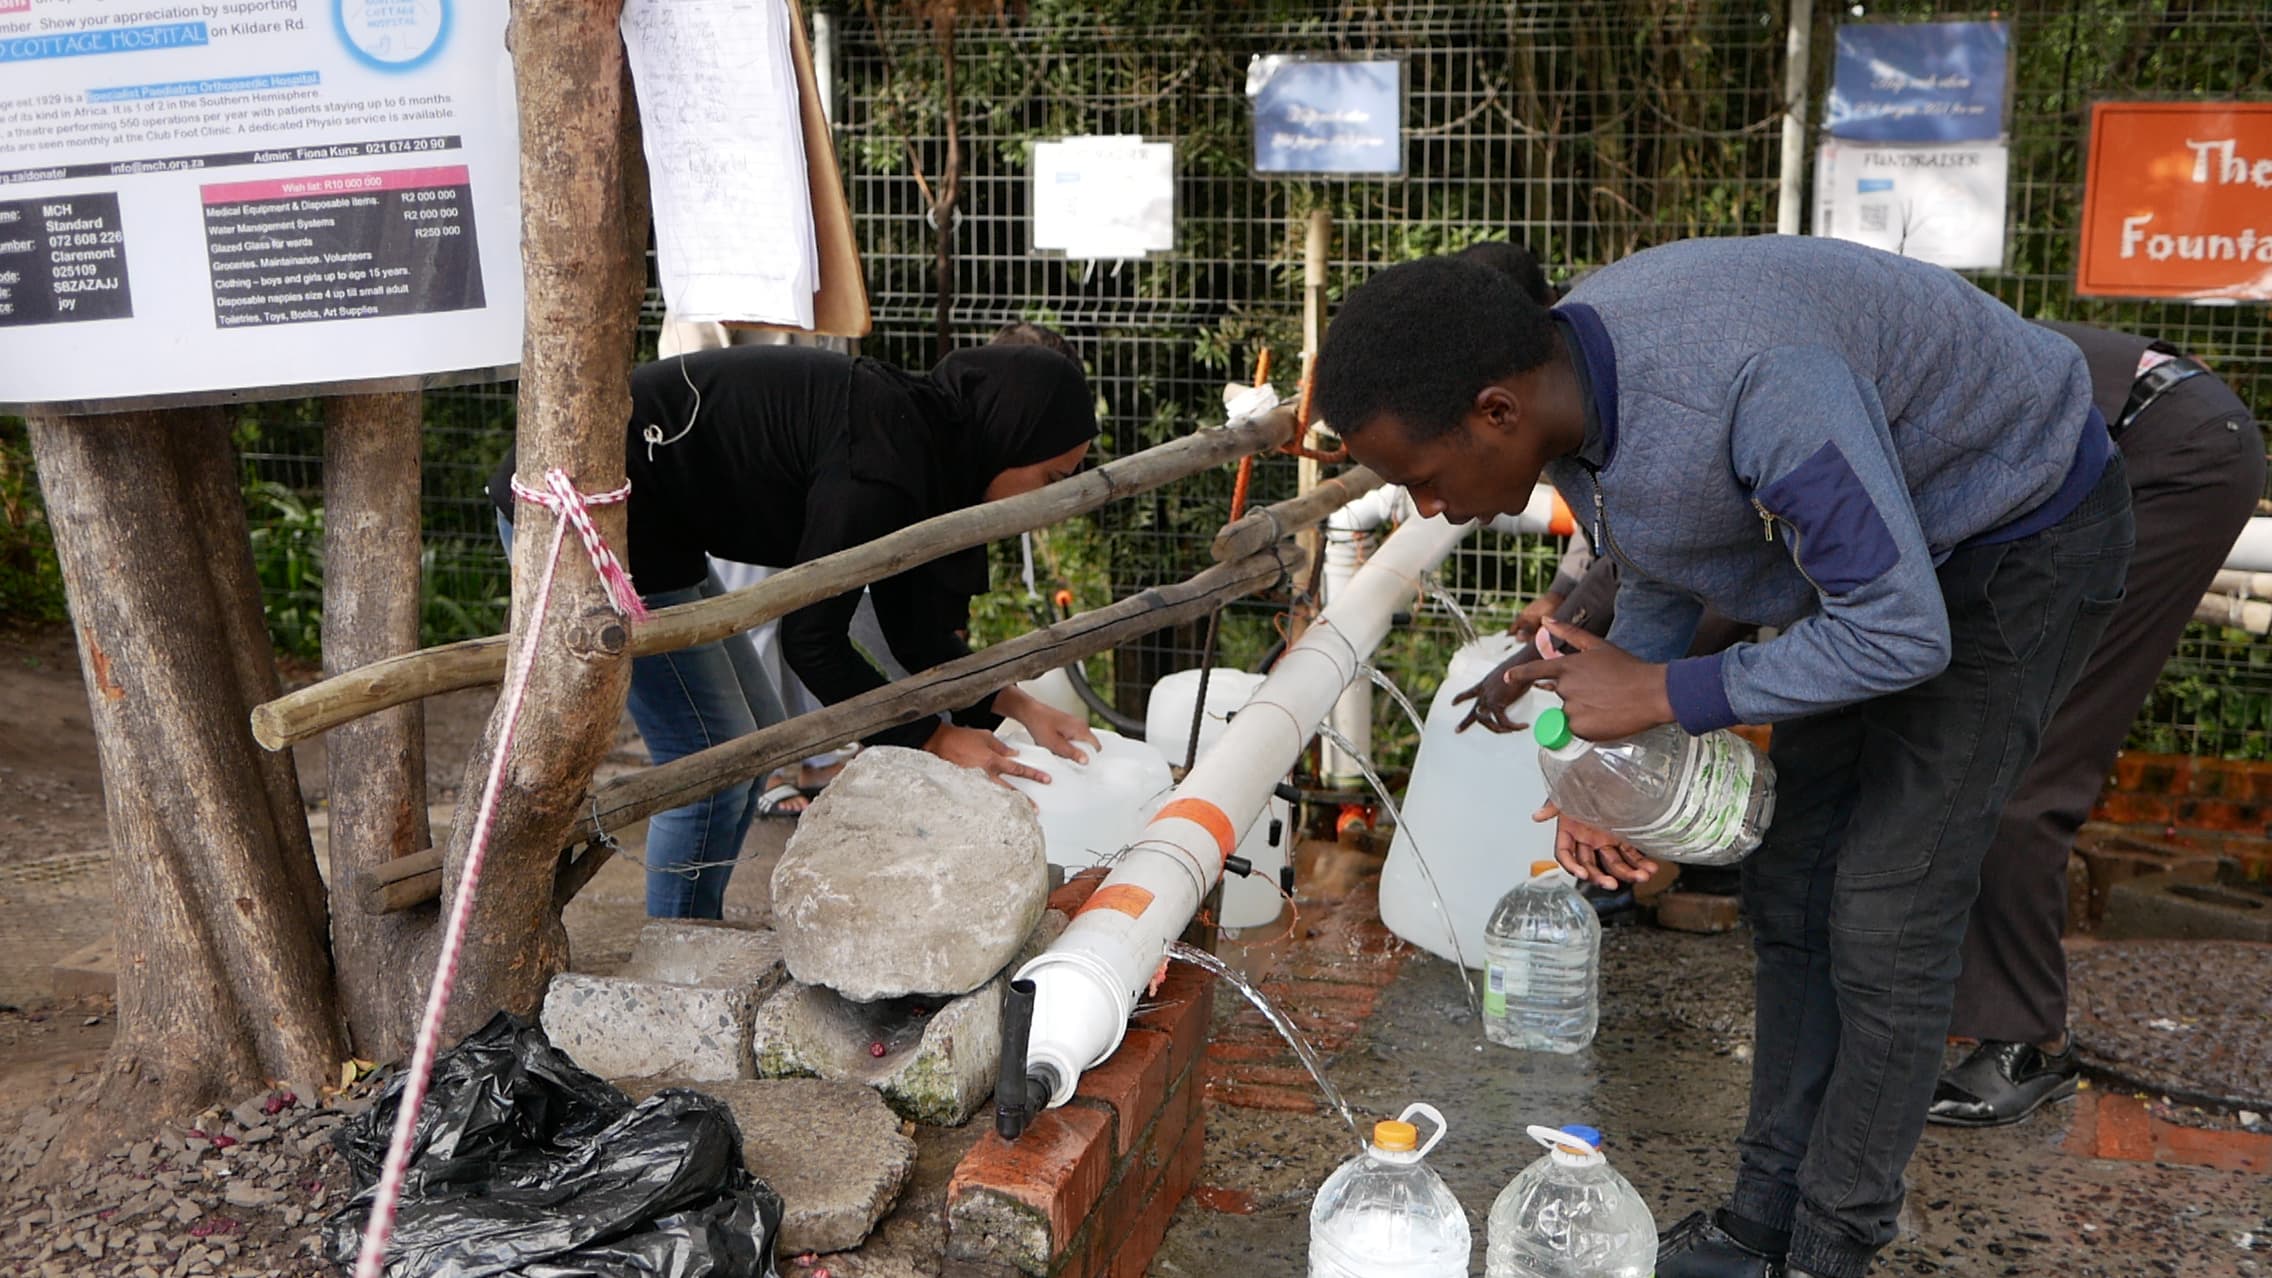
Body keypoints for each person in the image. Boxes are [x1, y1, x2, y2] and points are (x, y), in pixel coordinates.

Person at [1315, 238, 2133, 1278]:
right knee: (1790, 884)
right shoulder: (1575, 382)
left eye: (1422, 481)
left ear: (1495, 412)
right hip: (1879, 566)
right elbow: (1663, 559)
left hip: (2014, 535)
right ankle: (1762, 1217)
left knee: (1888, 907)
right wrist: (1606, 775)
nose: (1425, 510)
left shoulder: (1753, 381)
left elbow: (1899, 637)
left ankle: (1832, 1242)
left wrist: (1657, 693)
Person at [1459, 320, 2265, 1126]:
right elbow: (1656, 582)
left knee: (2017, 757)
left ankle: (2026, 1041)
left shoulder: (1724, 393)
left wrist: (1638, 707)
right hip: (2051, 462)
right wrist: (1589, 693)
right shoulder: (1655, 395)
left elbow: (1700, 609)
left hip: (2159, 447)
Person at [490, 343, 1102, 919]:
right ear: (1010, 437)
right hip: (591, 515)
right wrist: (933, 737)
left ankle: (693, 931)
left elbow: (913, 632)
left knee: (754, 742)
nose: (1051, 500)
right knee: (709, 762)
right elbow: (812, 640)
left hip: (661, 528)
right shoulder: (885, 464)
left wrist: (1015, 702)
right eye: (1052, 477)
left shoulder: (929, 451)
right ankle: (675, 955)